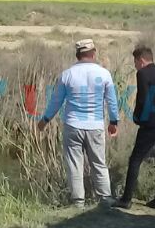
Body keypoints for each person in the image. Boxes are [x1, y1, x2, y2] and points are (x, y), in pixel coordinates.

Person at [38, 38, 119, 207]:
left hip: (73, 125)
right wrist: (113, 121)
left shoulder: (67, 75)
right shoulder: (104, 74)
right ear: (93, 53)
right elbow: (111, 101)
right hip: (95, 126)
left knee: (74, 164)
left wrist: (45, 119)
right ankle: (105, 200)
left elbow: (56, 101)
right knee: (99, 163)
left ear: (77, 55)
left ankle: (78, 202)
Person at [115, 46, 155, 209]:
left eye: (135, 62)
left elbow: (142, 98)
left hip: (151, 123)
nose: (135, 65)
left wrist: (138, 117)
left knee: (135, 159)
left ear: (141, 60)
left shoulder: (142, 74)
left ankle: (126, 199)